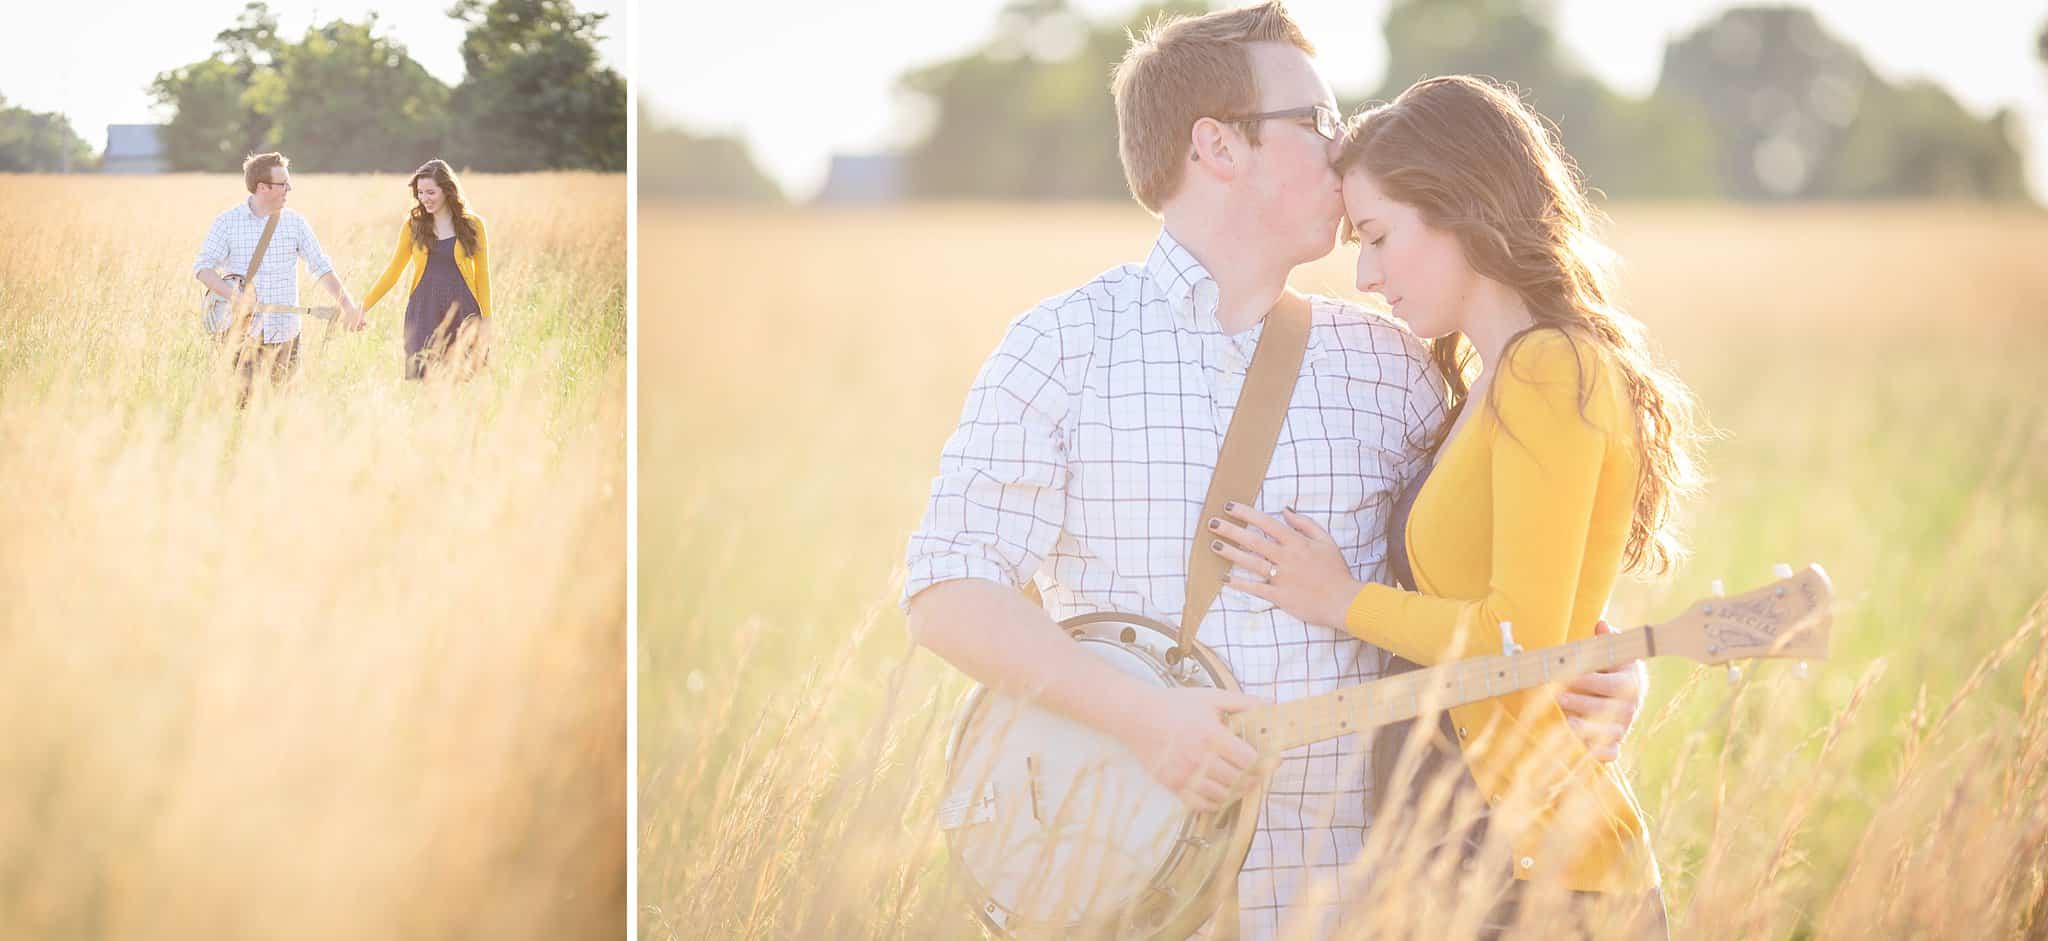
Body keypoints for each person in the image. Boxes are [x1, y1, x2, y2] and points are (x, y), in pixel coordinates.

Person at [900, 6, 1650, 938]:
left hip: (1365, 894)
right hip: (1134, 884)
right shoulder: (1059, 347)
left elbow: (1493, 561)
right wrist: (1147, 721)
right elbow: (946, 589)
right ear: (1218, 146)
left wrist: (1598, 666)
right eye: (1319, 120)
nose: (1344, 150)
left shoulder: (1391, 361)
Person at [1210, 75, 1701, 938]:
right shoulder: (1485, 382)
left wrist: (1337, 599)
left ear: (1459, 208)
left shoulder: (1551, 369)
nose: (1366, 274)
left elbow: (1526, 644)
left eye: (1380, 236)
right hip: (1458, 861)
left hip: (1543, 873)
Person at [193, 152, 364, 401]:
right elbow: (203, 269)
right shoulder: (227, 223)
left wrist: (348, 306)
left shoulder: (295, 223)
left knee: (286, 409)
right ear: (262, 187)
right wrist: (235, 298)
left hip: (286, 334)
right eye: (283, 183)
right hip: (242, 337)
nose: (289, 188)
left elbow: (321, 266)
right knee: (243, 409)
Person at [360, 159, 493, 380]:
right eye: (420, 192)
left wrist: (487, 319)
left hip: (463, 313)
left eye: (431, 192)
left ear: (447, 190)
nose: (424, 198)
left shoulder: (473, 225)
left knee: (462, 381)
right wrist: (363, 307)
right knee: (428, 381)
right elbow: (394, 271)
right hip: (424, 312)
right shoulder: (413, 225)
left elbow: (482, 274)